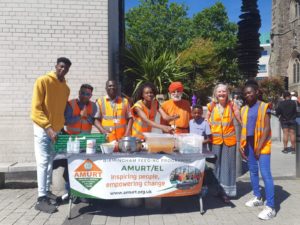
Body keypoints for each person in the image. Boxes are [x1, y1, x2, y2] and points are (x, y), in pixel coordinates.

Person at [31, 57, 72, 213]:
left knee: (49, 163)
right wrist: (48, 127)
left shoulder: (65, 88)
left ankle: (47, 192)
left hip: (55, 131)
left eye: (66, 68)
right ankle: (41, 198)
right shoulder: (43, 81)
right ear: (56, 66)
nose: (63, 70)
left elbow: (59, 111)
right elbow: (36, 109)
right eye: (61, 66)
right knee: (42, 162)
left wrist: (60, 129)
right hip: (43, 129)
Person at [52, 84, 98, 202]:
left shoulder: (93, 105)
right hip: (71, 142)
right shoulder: (70, 104)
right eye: (83, 93)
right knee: (70, 167)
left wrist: (87, 117)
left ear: (91, 95)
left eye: (87, 94)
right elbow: (66, 121)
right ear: (79, 92)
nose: (84, 96)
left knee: (84, 169)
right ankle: (70, 193)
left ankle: (83, 193)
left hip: (86, 144)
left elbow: (93, 120)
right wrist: (79, 116)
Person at [239, 82, 276, 220]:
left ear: (257, 92)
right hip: (249, 144)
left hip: (262, 144)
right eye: (245, 93)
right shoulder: (243, 109)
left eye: (250, 92)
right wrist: (241, 145)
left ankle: (271, 207)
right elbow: (243, 129)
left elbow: (266, 128)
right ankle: (257, 197)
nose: (248, 95)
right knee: (253, 171)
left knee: (266, 174)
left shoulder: (264, 106)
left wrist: (259, 147)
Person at [206, 83, 242, 203]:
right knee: (216, 166)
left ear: (228, 93)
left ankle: (227, 192)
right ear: (215, 93)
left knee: (228, 167)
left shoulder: (233, 105)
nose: (221, 93)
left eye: (224, 91)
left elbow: (240, 120)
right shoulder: (211, 106)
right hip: (215, 141)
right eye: (219, 91)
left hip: (229, 141)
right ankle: (217, 190)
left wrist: (246, 136)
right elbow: (206, 123)